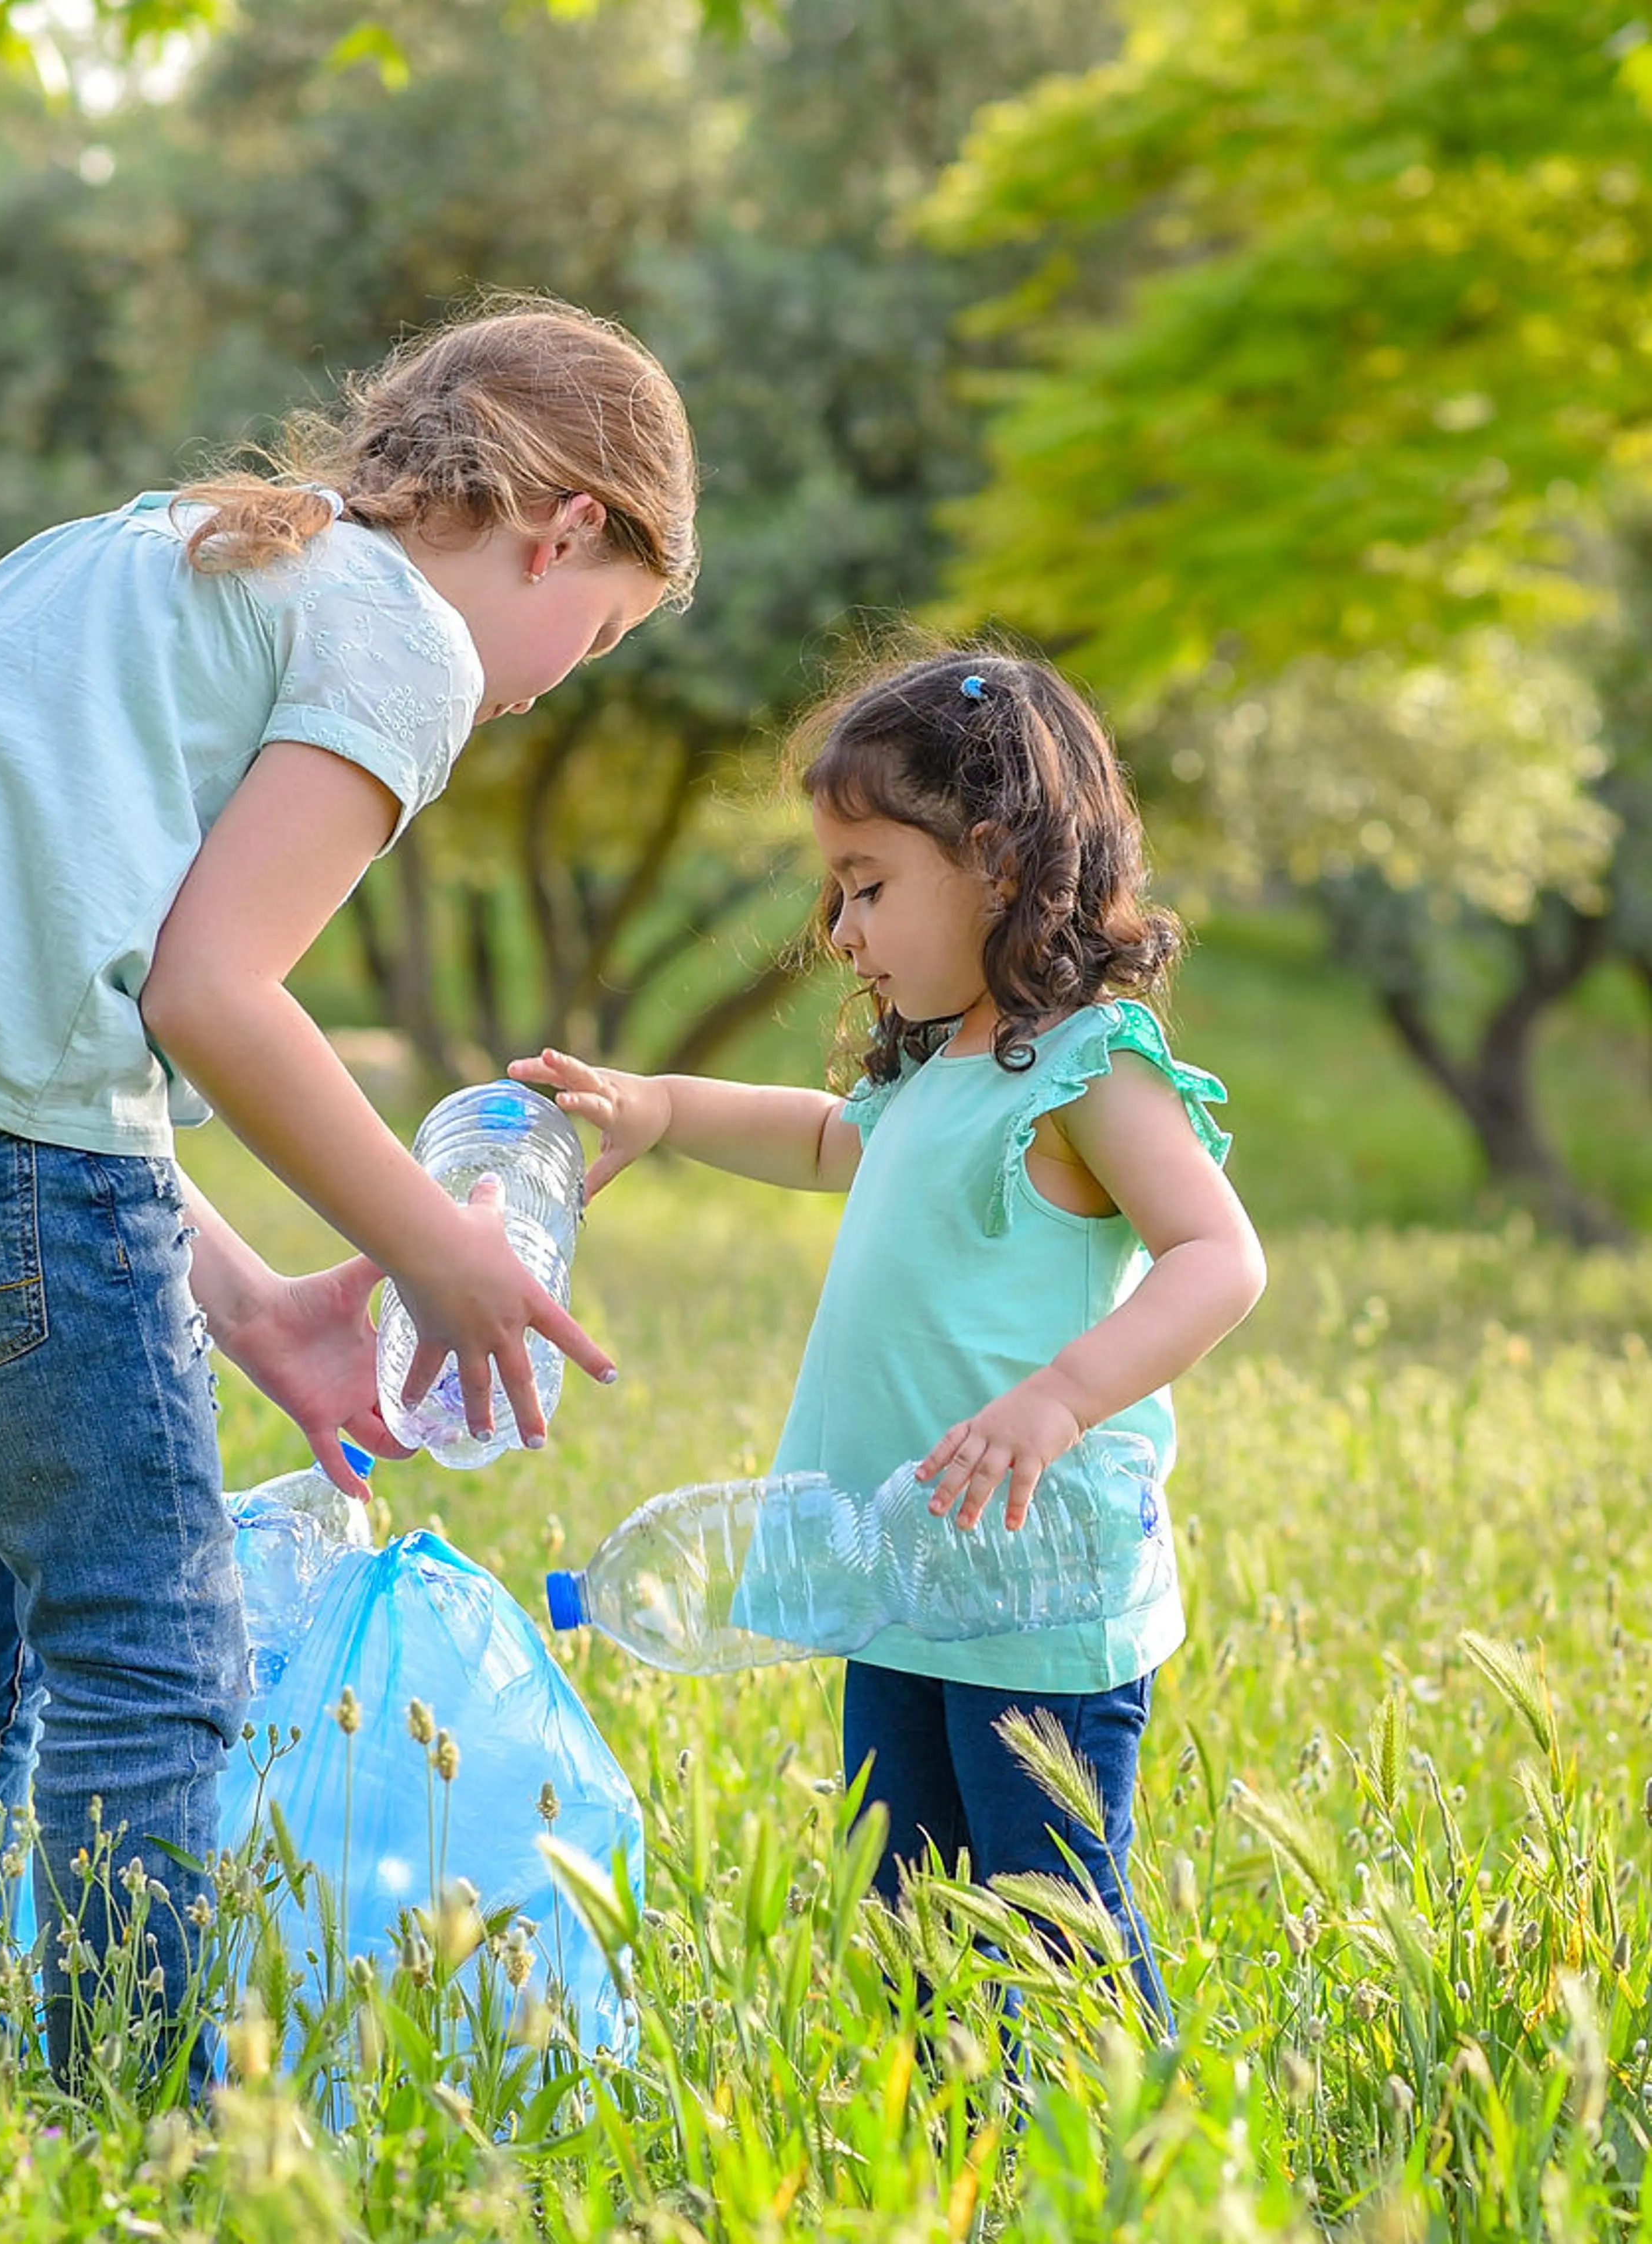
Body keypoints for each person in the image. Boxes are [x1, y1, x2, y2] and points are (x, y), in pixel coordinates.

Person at [0, 298, 698, 2083]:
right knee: (150, 1651)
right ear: (567, 527)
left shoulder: (172, 550)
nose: (550, 685)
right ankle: (124, 2117)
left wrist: (257, 1303)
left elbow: (20, 1032)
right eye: (595, 636)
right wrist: (430, 1244)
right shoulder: (401, 631)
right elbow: (209, 994)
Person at [512, 649, 1265, 2027]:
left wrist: (1060, 1398)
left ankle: (1121, 2137)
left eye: (869, 886)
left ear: (997, 862)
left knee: (1052, 1921)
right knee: (910, 1910)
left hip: (1034, 1587)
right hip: (903, 1563)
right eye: (836, 893)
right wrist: (664, 1107)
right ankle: (955, 2135)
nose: (843, 931)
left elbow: (1219, 1258)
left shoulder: (1090, 1062)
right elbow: (821, 1139)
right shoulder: (935, 1065)